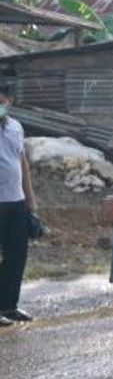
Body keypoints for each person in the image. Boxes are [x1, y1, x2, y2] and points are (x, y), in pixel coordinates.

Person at [0, 89, 36, 327]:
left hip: (16, 201)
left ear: (9, 101)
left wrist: (30, 199)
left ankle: (8, 306)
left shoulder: (16, 127)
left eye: (1, 102)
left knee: (16, 257)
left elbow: (22, 162)